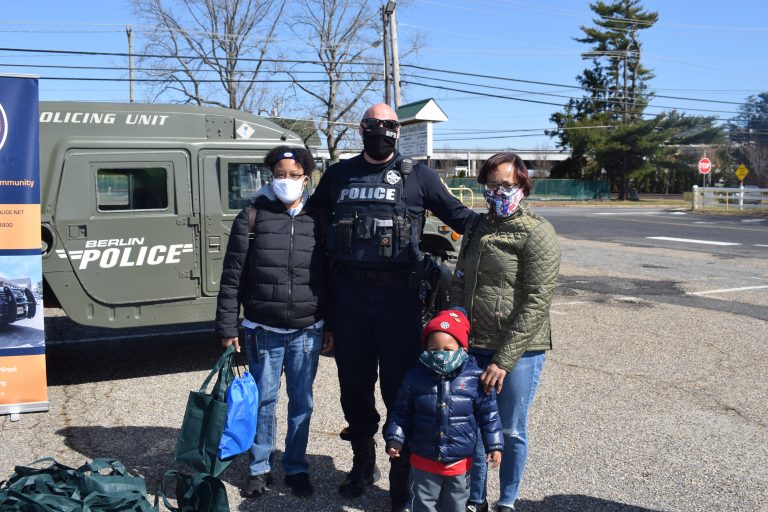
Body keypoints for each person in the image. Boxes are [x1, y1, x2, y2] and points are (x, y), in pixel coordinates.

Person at [308, 103, 478, 511]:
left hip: (399, 298)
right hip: (348, 297)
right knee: (354, 383)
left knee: (401, 388)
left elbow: (458, 215)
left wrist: (504, 223)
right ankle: (362, 463)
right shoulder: (338, 175)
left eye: (388, 125)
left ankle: (401, 474)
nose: (380, 131)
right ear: (362, 129)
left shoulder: (417, 175)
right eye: (373, 125)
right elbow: (309, 221)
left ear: (398, 132)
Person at [215, 145, 333, 499]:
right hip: (262, 330)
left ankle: (296, 467)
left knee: (302, 403)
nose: (286, 181)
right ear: (270, 177)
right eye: (280, 174)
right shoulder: (252, 216)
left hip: (308, 329)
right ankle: (259, 468)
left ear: (307, 178)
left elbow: (331, 276)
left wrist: (332, 325)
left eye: (294, 175)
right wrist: (226, 327)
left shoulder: (320, 218)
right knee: (263, 401)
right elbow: (232, 276)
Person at [450, 152, 561, 512]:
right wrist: (453, 332)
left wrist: (504, 359)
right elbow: (460, 282)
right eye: (493, 184)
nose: (499, 191)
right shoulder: (476, 227)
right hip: (473, 344)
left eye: (507, 185)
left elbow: (537, 300)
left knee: (511, 429)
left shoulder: (537, 232)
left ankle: (508, 500)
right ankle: (476, 497)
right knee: (476, 430)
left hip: (519, 352)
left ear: (523, 186)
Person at [384, 309, 503, 512]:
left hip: (459, 461)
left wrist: (495, 445)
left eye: (448, 349)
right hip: (423, 459)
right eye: (433, 349)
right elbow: (401, 412)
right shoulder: (415, 378)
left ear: (463, 349)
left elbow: (489, 416)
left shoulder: (476, 380)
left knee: (456, 504)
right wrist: (395, 438)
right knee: (422, 503)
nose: (440, 355)